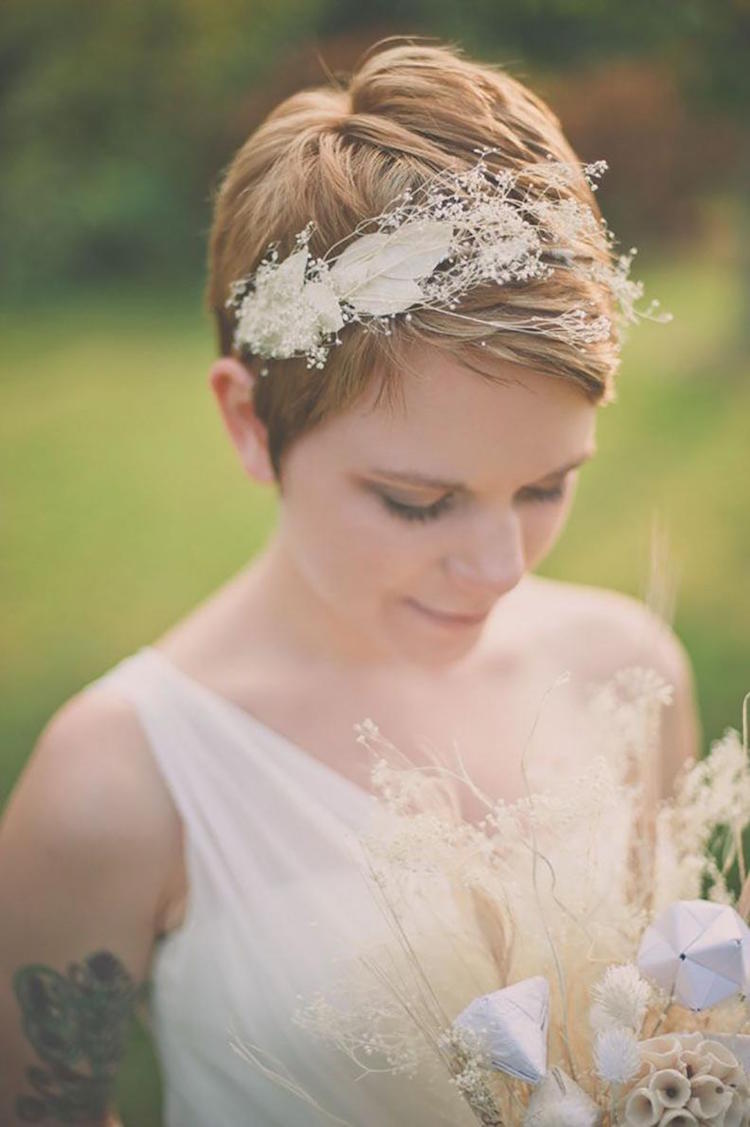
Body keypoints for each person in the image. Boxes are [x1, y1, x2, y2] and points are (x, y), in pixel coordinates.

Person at [0, 37, 701, 1127]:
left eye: (547, 484)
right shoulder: (113, 787)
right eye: (417, 501)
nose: (500, 567)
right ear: (247, 418)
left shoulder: (628, 673)